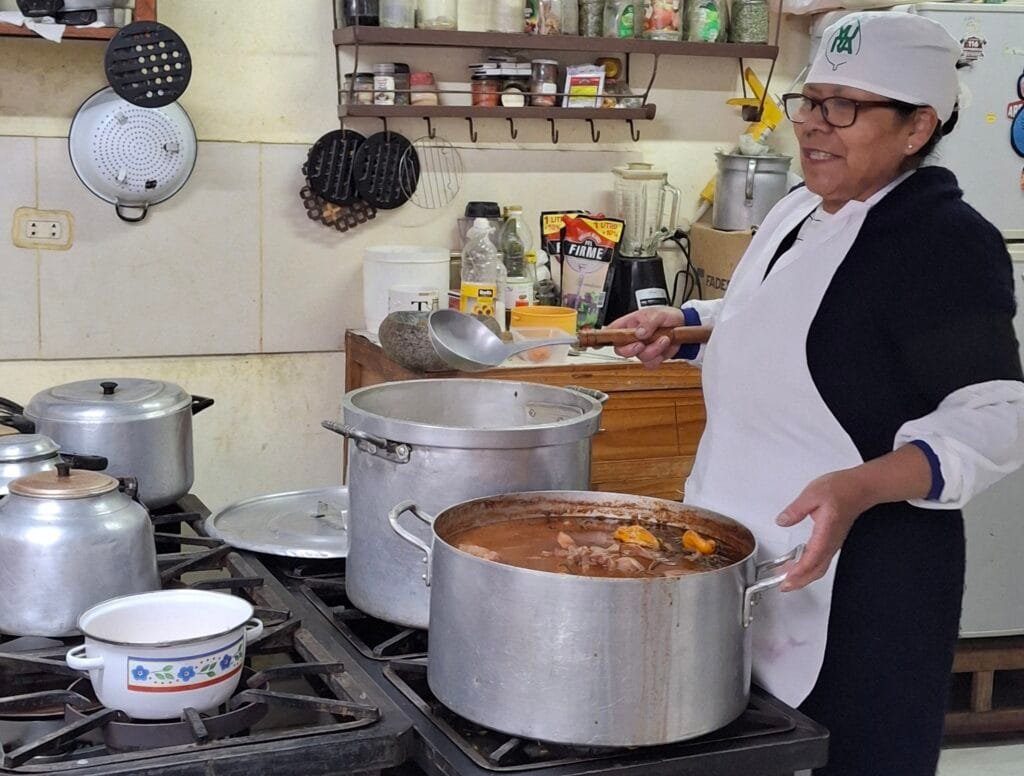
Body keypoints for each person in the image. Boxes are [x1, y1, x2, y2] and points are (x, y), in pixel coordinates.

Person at [611, 11, 1024, 776]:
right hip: (747, 557)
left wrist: (862, 484)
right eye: (811, 100)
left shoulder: (942, 242)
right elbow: (786, 317)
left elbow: (999, 418)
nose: (812, 125)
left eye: (845, 106)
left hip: (864, 582)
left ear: (916, 126)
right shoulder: (803, 208)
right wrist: (692, 323)